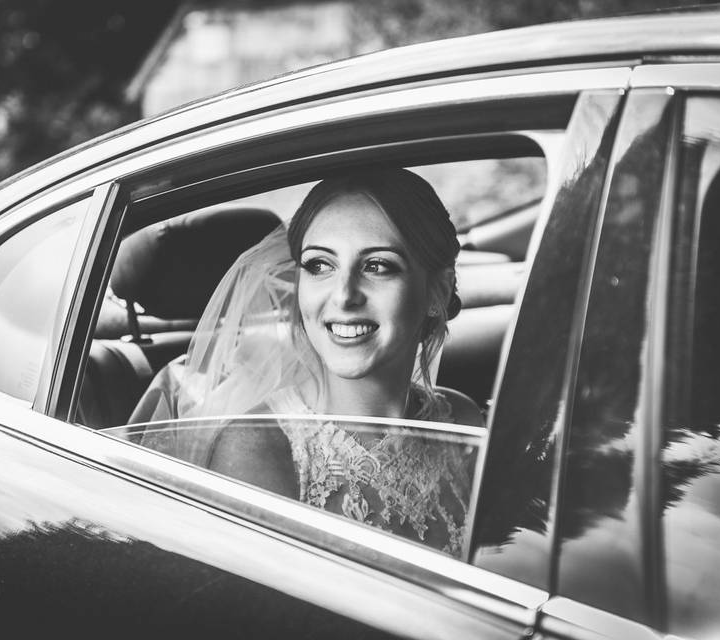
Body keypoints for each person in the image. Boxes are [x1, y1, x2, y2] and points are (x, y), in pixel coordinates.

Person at [132, 168, 477, 555]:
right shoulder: (256, 448)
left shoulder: (461, 422)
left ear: (437, 291)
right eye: (319, 265)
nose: (344, 295)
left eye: (377, 265)